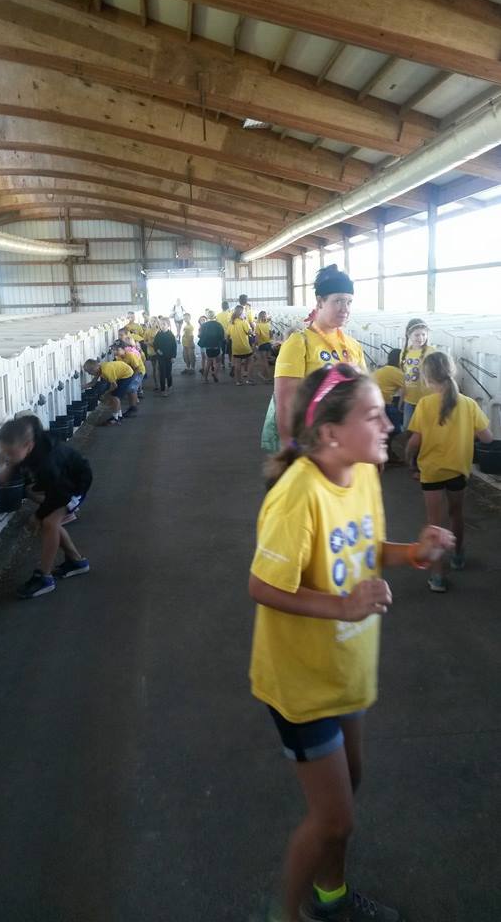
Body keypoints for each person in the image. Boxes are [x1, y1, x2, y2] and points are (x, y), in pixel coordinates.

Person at [249, 364, 454, 922]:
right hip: (300, 683)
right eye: (372, 413)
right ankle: (283, 915)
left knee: (350, 786)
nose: (389, 421)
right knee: (335, 817)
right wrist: (341, 605)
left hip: (346, 668)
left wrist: (411, 552)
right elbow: (263, 585)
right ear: (331, 433)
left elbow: (362, 544)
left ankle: (331, 898)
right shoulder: (298, 495)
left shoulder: (361, 471)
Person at [406, 351, 492, 592]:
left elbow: (414, 442)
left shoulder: (425, 404)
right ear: (452, 372)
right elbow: (488, 438)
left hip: (431, 472)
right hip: (458, 471)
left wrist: (409, 460)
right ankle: (458, 556)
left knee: (435, 524)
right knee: (456, 515)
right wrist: (466, 432)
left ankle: (438, 577)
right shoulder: (468, 404)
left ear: (427, 378)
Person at [0, 415, 92, 599]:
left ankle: (45, 577)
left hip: (74, 484)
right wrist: (8, 469)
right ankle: (76, 562)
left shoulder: (47, 463)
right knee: (50, 523)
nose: (7, 457)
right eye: (4, 452)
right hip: (60, 482)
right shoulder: (27, 444)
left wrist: (38, 515)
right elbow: (19, 459)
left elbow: (58, 496)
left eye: (10, 453)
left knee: (48, 522)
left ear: (29, 446)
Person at [274, 265, 366, 447]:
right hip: (312, 440)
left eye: (349, 302)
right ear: (320, 301)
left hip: (348, 440)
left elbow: (363, 395)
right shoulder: (299, 343)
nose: (344, 308)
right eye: (338, 301)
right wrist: (289, 448)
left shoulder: (353, 346)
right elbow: (285, 403)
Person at [400, 318, 435, 430]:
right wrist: (402, 398)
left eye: (424, 335)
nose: (421, 338)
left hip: (428, 399)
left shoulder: (432, 351)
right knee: (407, 428)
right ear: (409, 335)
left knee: (426, 430)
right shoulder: (404, 352)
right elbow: (403, 376)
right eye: (417, 335)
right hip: (409, 399)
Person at [372, 348, 404, 461]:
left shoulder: (383, 369)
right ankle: (392, 456)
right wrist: (400, 405)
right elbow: (408, 389)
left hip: (371, 402)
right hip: (383, 403)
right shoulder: (397, 372)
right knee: (395, 429)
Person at [83, 357, 134, 425]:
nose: (89, 374)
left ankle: (115, 418)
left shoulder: (106, 371)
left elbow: (114, 386)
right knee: (114, 396)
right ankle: (119, 417)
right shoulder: (99, 369)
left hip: (127, 374)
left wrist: (106, 393)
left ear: (94, 369)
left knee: (115, 397)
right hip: (122, 372)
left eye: (89, 372)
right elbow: (93, 382)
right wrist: (83, 386)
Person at [113, 342, 145, 415]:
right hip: (129, 373)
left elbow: (137, 368)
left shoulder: (130, 355)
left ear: (124, 349)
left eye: (117, 350)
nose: (115, 352)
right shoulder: (118, 358)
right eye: (114, 350)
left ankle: (133, 407)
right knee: (129, 388)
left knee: (132, 388)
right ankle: (132, 406)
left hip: (138, 372)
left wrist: (131, 378)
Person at [228, 305, 255, 385]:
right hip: (245, 346)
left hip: (235, 347)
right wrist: (251, 329)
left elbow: (228, 335)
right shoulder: (244, 322)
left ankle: (238, 381)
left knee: (237, 364)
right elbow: (249, 332)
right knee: (250, 361)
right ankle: (249, 379)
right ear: (241, 313)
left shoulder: (231, 323)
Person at [198, 311, 225, 383]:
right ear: (215, 316)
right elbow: (222, 336)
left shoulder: (204, 325)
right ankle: (215, 374)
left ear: (207, 316)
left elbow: (200, 336)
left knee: (208, 362)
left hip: (208, 347)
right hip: (217, 346)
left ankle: (205, 378)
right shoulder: (219, 324)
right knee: (218, 361)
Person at [153, 317, 177, 397]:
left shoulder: (171, 335)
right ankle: (163, 389)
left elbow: (174, 346)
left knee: (168, 373)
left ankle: (170, 386)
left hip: (169, 357)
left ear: (168, 325)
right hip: (161, 357)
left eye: (164, 324)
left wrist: (173, 356)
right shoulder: (158, 334)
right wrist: (157, 350)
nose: (162, 326)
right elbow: (155, 344)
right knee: (162, 373)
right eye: (161, 324)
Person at [255, 310, 273, 382]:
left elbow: (257, 337)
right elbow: (271, 334)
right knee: (265, 361)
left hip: (262, 345)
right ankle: (265, 375)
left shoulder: (258, 325)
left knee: (264, 362)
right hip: (268, 344)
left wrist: (255, 345)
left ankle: (267, 376)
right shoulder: (268, 324)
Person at [144, 316, 160, 391]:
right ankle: (156, 384)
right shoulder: (147, 331)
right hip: (152, 352)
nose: (153, 323)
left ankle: (162, 382)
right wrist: (150, 343)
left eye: (154, 321)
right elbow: (145, 341)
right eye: (151, 321)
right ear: (149, 322)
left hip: (160, 352)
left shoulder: (159, 330)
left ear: (157, 322)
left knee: (160, 368)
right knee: (155, 368)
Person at [216, 300, 232, 369]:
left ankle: (223, 364)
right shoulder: (230, 314)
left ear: (221, 307)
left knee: (221, 350)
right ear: (228, 307)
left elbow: (217, 325)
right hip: (229, 335)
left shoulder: (218, 315)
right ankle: (230, 362)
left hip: (221, 335)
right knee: (230, 350)